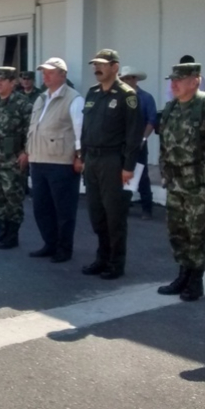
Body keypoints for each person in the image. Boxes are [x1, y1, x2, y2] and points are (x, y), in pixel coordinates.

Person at [157, 63, 205, 302]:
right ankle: (182, 275)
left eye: (180, 79)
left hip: (199, 183)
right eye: (172, 80)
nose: (174, 84)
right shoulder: (171, 108)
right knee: (177, 231)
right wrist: (165, 172)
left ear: (195, 81)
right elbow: (165, 145)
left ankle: (195, 280)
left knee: (198, 232)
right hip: (176, 181)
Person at [80, 49, 143, 280]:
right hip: (93, 160)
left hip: (113, 160)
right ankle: (102, 257)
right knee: (96, 213)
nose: (97, 68)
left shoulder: (127, 95)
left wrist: (128, 166)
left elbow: (133, 134)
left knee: (114, 215)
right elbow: (86, 128)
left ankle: (116, 263)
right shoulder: (93, 93)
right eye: (95, 64)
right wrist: (82, 156)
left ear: (115, 67)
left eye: (102, 64)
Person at [26, 58, 84, 263]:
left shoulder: (73, 99)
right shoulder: (41, 98)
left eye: (50, 72)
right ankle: (49, 244)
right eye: (44, 72)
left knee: (64, 209)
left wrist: (79, 157)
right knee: (42, 207)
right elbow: (33, 128)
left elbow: (80, 131)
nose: (45, 75)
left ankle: (64, 248)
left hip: (61, 162)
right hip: (38, 160)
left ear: (63, 74)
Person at [0, 67, 32, 249]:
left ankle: (12, 235)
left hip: (12, 159)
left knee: (13, 197)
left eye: (2, 80)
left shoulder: (22, 103)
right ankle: (1, 230)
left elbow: (30, 131)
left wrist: (26, 152)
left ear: (13, 82)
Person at [118, 66, 157, 220]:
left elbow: (151, 120)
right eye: (125, 78)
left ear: (135, 79)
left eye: (130, 78)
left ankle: (147, 207)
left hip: (138, 142)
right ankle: (124, 205)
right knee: (120, 174)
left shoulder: (146, 98)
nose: (128, 81)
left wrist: (143, 138)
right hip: (121, 142)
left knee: (141, 175)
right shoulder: (119, 97)